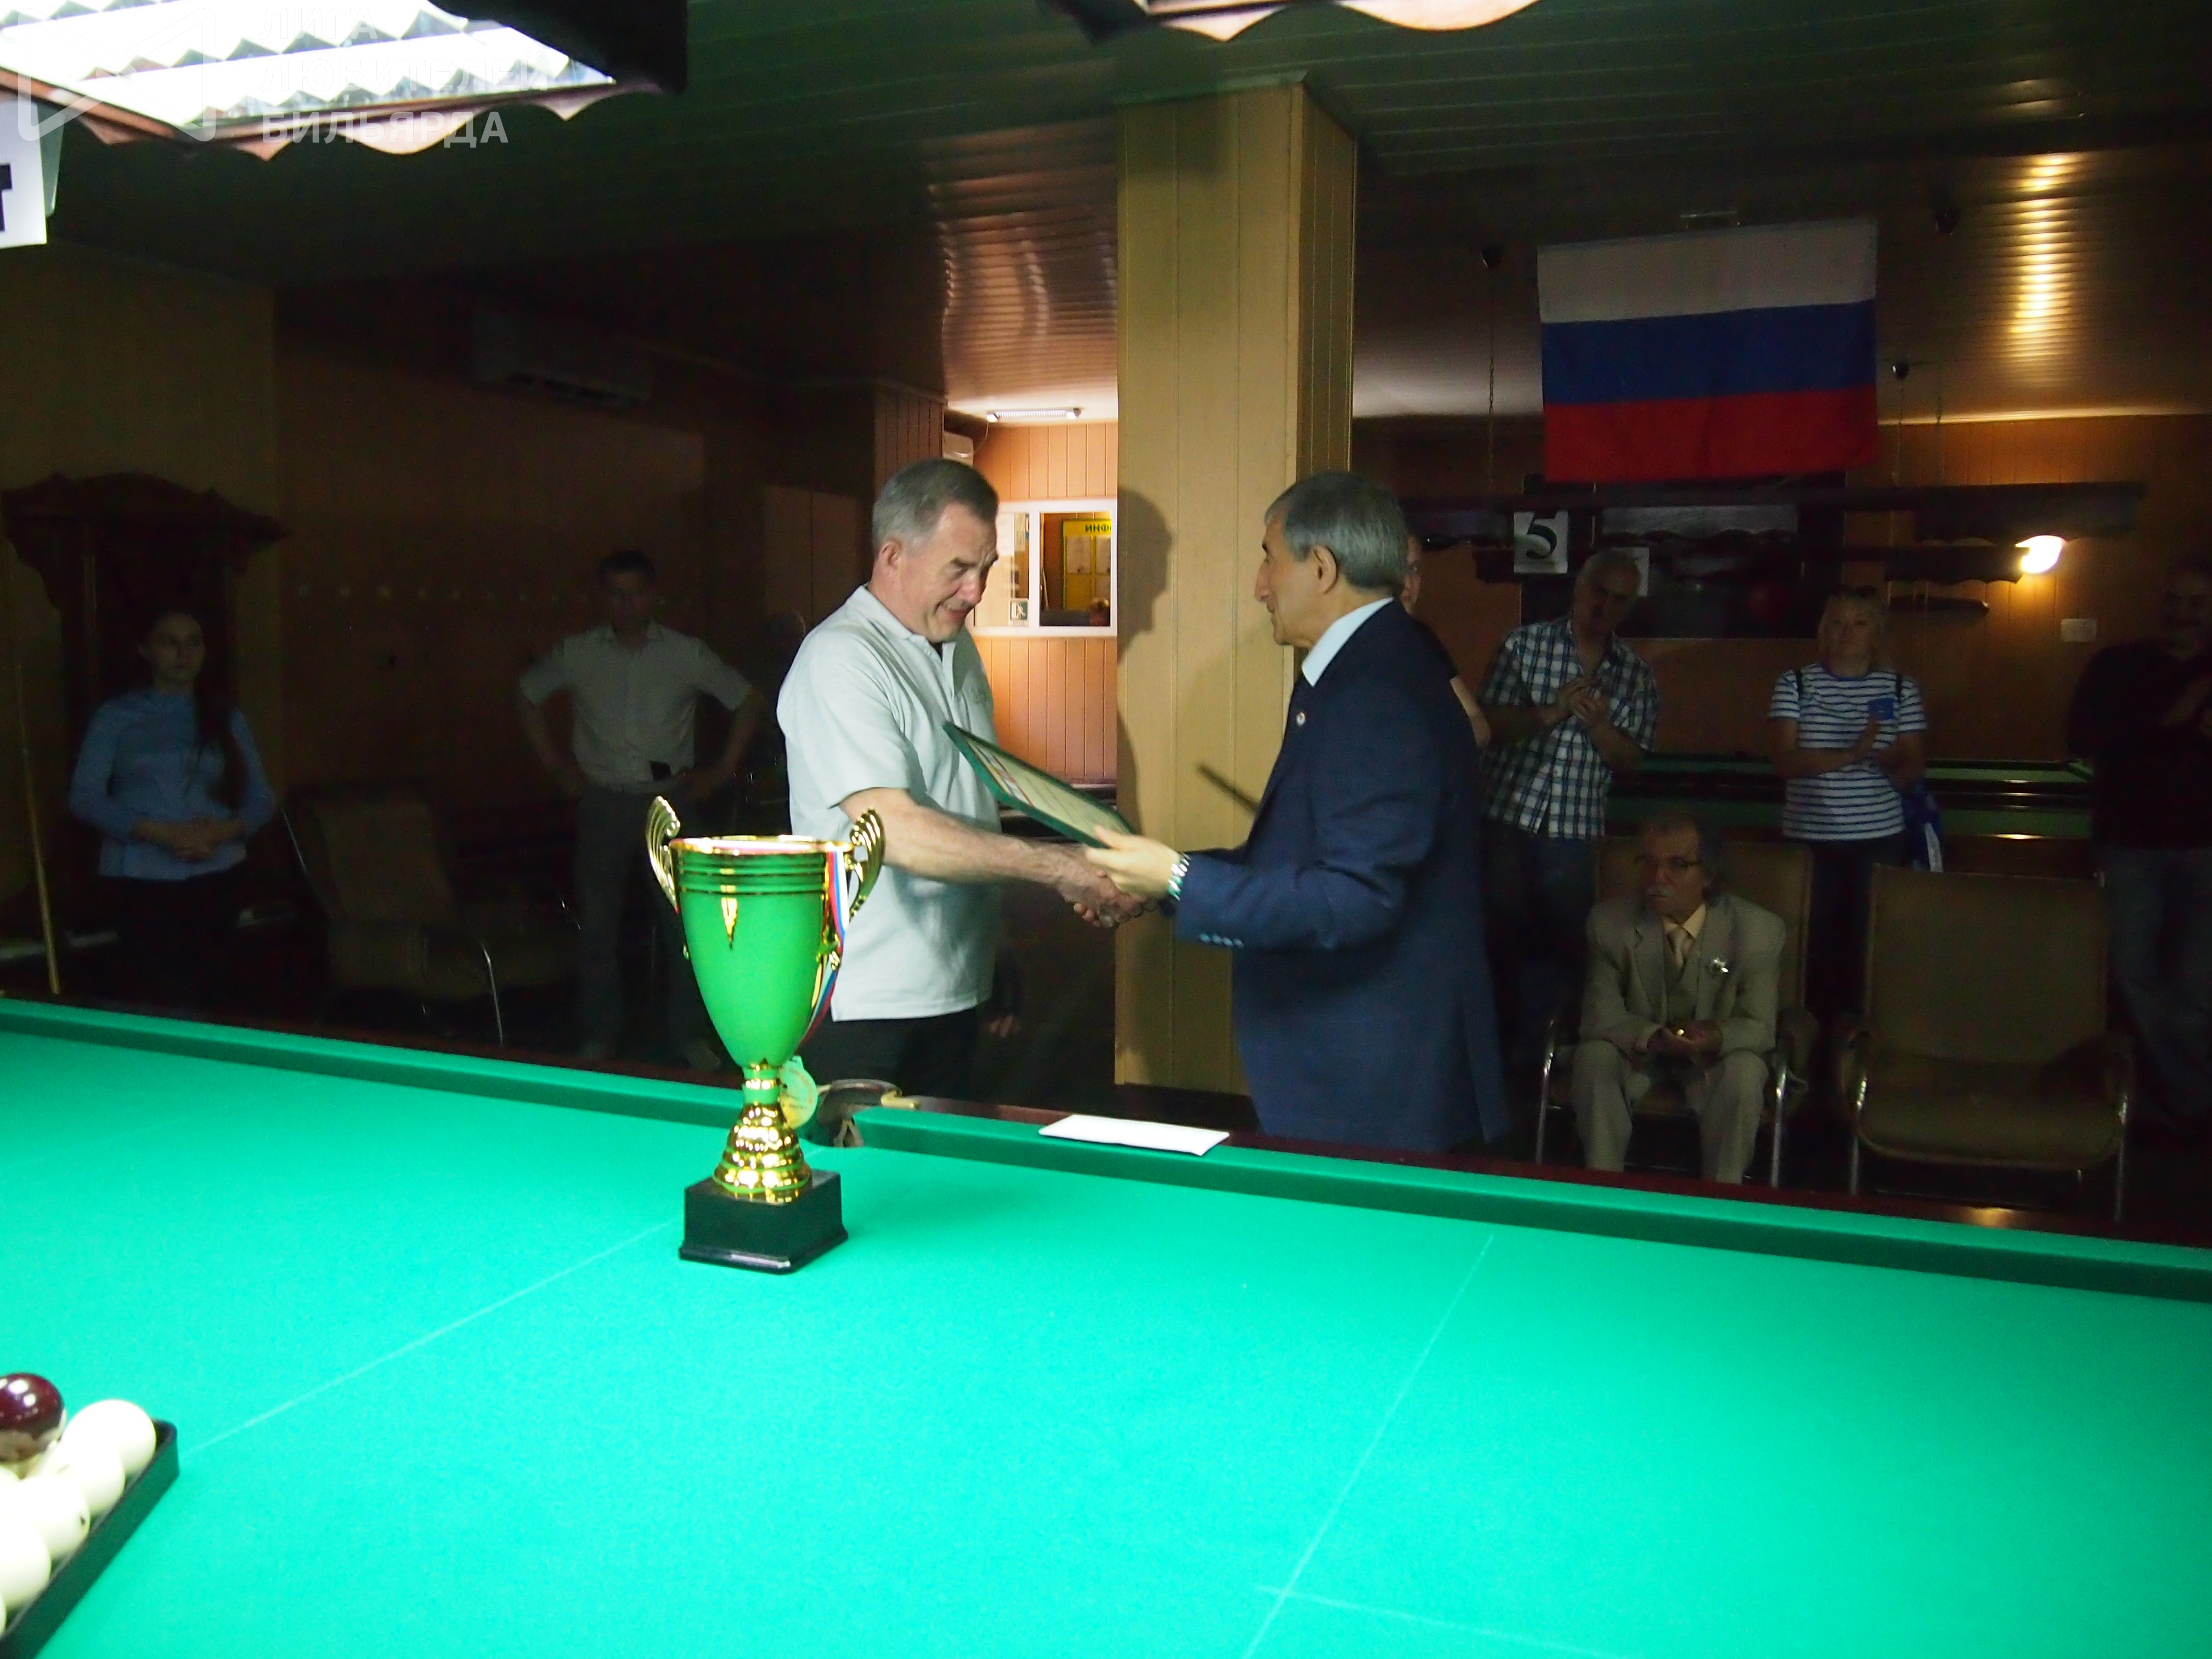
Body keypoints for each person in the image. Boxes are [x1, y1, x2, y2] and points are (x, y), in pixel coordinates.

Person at [1084, 472, 1509, 1153]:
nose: (1260, 586)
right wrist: (1162, 883)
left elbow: (1354, 899)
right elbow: (1301, 859)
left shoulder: (1374, 690)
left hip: (1377, 1084)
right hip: (1370, 1069)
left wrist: (1179, 878)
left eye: (1269, 559)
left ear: (1322, 568)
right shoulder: (1371, 666)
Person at [778, 458, 1140, 1100]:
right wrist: (1061, 868)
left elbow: (965, 798)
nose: (976, 591)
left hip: (953, 984)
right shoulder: (841, 658)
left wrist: (993, 940)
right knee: (865, 1164)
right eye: (958, 569)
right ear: (893, 556)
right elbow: (894, 831)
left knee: (940, 1158)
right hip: (866, 998)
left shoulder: (955, 643)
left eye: (987, 568)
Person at [517, 551, 761, 1069]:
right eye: (615, 594)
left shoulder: (685, 654)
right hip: (603, 799)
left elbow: (746, 700)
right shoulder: (579, 653)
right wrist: (557, 768)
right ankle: (599, 1034)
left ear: (653, 597)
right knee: (598, 925)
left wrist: (722, 770)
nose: (625, 605)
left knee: (685, 926)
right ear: (602, 598)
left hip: (669, 800)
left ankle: (689, 1034)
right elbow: (526, 695)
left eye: (634, 594)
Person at [1476, 551, 1658, 1082]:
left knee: (1562, 953)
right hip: (1507, 820)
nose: (1605, 606)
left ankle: (1541, 1067)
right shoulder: (1522, 647)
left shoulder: (1635, 675)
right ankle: (1490, 1064)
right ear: (1579, 587)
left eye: (1619, 599)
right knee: (1497, 944)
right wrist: (1552, 712)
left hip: (1574, 835)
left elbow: (1631, 762)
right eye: (1598, 592)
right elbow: (1487, 727)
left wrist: (1599, 727)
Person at [2066, 555, 2212, 1142]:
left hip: (2207, 850)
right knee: (2131, 975)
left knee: (2195, 991)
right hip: (2129, 846)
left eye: (2196, 603)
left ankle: (2168, 1108)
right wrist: (2173, 719)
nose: (2182, 613)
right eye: (2174, 600)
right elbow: (2083, 737)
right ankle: (2193, 1106)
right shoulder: (2118, 666)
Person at [69, 610, 275, 1008]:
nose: (184, 653)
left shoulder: (225, 716)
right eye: (170, 642)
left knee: (215, 994)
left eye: (194, 642)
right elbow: (85, 797)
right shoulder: (116, 716)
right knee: (161, 996)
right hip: (142, 878)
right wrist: (157, 832)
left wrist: (221, 832)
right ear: (145, 650)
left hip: (217, 873)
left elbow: (262, 799)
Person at [1570, 811, 1782, 1183]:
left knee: (1745, 1071)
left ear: (1709, 875)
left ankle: (1723, 1198)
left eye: (1677, 865)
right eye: (1648, 863)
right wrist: (1651, 1037)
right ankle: (1603, 1191)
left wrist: (1715, 1037)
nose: (1657, 877)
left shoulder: (1758, 931)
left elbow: (1760, 1027)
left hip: (1712, 1060)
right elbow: (1599, 1017)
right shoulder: (1609, 924)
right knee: (1594, 1057)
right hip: (1639, 1054)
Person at [1767, 590, 1927, 1020]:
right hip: (1810, 835)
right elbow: (1785, 762)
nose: (1847, 632)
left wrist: (1889, 760)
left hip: (1878, 836)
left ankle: (1857, 1037)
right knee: (1811, 945)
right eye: (1837, 622)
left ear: (1876, 633)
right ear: (1824, 631)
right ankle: (1809, 1035)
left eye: (1860, 622)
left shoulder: (1900, 687)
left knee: (1867, 943)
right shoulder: (1796, 683)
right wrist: (1853, 754)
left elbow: (1913, 762)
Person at [1400, 533, 1490, 747]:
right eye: (1398, 570)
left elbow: (1479, 725)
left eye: (1415, 569)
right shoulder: (1354, 640)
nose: (1408, 583)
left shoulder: (1421, 638)